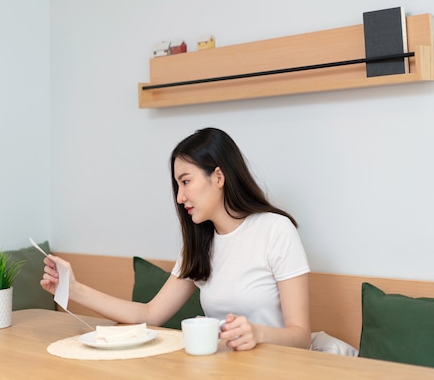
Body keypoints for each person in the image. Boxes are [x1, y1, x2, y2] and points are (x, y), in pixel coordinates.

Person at [40, 127, 311, 350]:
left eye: (186, 182)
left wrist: (258, 333)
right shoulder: (199, 244)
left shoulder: (275, 230)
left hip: (277, 367)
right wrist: (73, 289)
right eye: (177, 186)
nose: (180, 198)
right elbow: (149, 314)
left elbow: (300, 336)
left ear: (218, 176)